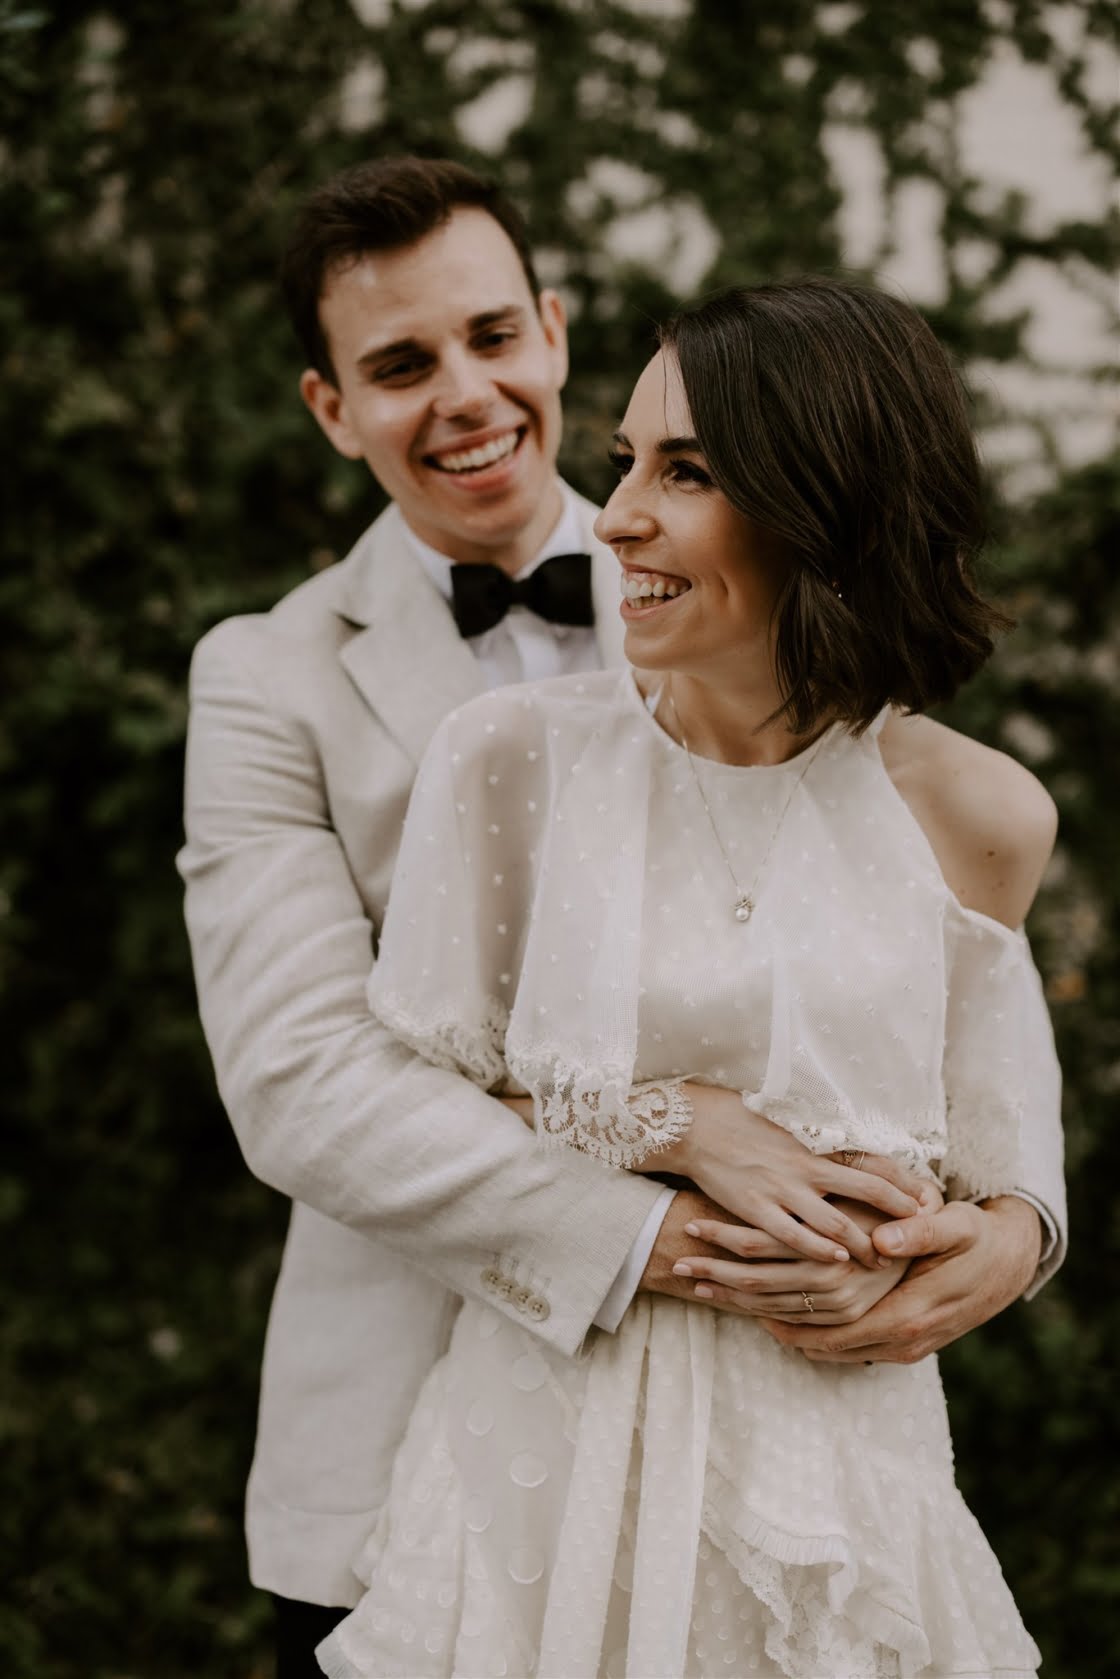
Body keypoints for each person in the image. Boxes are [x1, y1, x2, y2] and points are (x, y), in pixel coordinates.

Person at [176, 157, 1062, 1675]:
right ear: (333, 409)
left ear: (552, 328)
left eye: (490, 336)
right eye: (401, 364)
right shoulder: (270, 676)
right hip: (426, 1446)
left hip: (794, 1454)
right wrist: (679, 1183)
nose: (466, 394)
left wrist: (1015, 1227)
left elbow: (961, 1015)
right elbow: (304, 1080)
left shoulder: (740, 598)